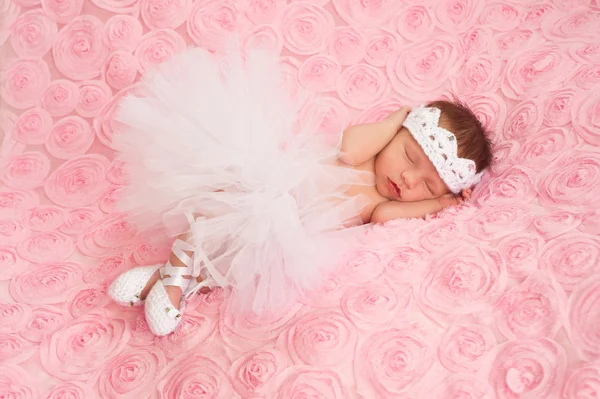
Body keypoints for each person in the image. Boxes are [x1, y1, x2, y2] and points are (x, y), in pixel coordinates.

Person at [108, 46, 492, 336]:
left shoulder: (381, 203)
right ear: (398, 133)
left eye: (427, 183)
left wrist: (440, 203)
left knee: (238, 268)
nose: (409, 179)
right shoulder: (366, 152)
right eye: (409, 155)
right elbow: (348, 148)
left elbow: (386, 217)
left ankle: (166, 281)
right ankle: (177, 270)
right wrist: (396, 119)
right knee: (221, 204)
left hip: (287, 231)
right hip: (270, 182)